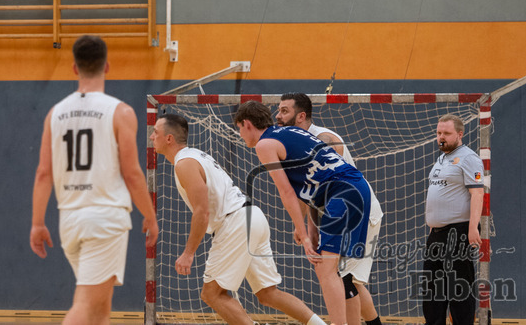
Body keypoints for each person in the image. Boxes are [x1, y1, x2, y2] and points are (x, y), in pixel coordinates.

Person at [151, 113, 327, 325]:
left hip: (236, 222)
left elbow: (201, 212)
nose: (151, 137)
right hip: (252, 217)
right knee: (268, 293)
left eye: (155, 132)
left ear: (169, 138)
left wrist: (188, 254)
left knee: (212, 294)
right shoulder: (196, 155)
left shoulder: (184, 164)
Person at [30, 35, 158, 325]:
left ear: (74, 68)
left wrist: (37, 223)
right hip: (104, 219)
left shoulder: (54, 114)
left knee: (100, 309)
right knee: (86, 306)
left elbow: (43, 173)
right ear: (107, 66)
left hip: (69, 221)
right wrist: (150, 216)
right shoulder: (120, 112)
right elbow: (132, 173)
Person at [234, 101, 371, 325]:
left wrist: (303, 234)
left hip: (343, 192)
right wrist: (309, 228)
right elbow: (312, 186)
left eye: (239, 128)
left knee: (326, 269)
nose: (240, 135)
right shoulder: (290, 132)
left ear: (247, 124)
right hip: (353, 189)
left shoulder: (265, 144)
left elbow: (287, 191)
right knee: (332, 269)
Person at [275, 94, 385, 325]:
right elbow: (313, 191)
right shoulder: (295, 143)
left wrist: (310, 226)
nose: (278, 116)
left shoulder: (324, 138)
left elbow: (328, 184)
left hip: (358, 210)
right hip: (337, 213)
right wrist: (310, 227)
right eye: (279, 110)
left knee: (343, 277)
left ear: (301, 116)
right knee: (348, 279)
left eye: (284, 111)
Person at [420, 114, 483, 325]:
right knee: (432, 291)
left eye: (446, 133)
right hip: (437, 234)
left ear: (459, 134)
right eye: (439, 133)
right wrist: (433, 226)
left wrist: (473, 228)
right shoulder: (442, 158)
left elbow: (477, 193)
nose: (441, 137)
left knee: (459, 289)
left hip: (459, 232)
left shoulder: (469, 158)